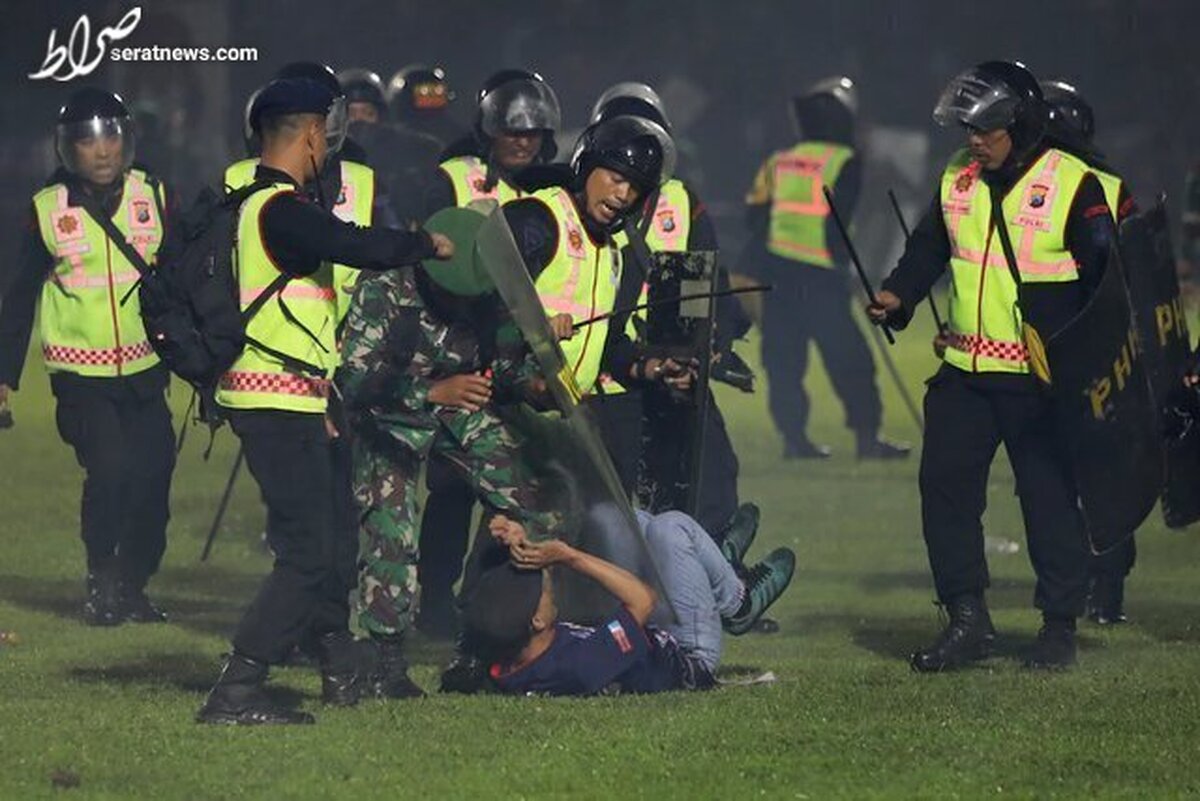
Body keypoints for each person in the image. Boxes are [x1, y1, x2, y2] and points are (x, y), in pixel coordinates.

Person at [194, 77, 453, 725]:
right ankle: (238, 687)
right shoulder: (279, 208)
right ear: (312, 135)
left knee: (328, 539)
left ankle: (336, 663)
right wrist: (423, 243)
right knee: (309, 553)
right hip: (273, 399)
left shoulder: (257, 203)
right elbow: (352, 244)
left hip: (299, 397)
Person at [868, 61, 1115, 671]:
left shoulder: (1073, 183)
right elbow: (930, 244)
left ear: (1022, 125)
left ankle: (1058, 627)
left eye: (986, 129)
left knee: (1049, 501)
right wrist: (899, 295)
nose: (973, 141)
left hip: (1041, 381)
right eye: (968, 129)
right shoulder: (959, 175)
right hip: (964, 373)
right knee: (944, 492)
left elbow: (1108, 284)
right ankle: (967, 620)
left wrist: (1092, 366)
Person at [338, 212, 566, 699]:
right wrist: (430, 390)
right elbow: (355, 380)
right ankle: (384, 660)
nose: (464, 303)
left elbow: (503, 367)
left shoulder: (488, 288)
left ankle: (485, 638)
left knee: (533, 492)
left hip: (459, 409)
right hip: (390, 413)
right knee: (390, 526)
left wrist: (533, 382)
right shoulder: (384, 287)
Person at [0, 87, 176, 626]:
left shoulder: (156, 194)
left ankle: (134, 583)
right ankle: (103, 579)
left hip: (146, 371)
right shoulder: (47, 211)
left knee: (155, 476)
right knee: (112, 470)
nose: (101, 151)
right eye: (87, 141)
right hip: (81, 375)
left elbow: (178, 277)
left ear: (126, 140)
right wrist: (4, 376)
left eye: (110, 138)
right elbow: (19, 293)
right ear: (67, 150)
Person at [415, 68, 564, 637]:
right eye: (511, 132)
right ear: (489, 131)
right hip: (459, 355)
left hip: (525, 358)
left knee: (519, 489)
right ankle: (433, 597)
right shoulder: (453, 180)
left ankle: (486, 596)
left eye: (532, 133)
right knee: (453, 486)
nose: (522, 142)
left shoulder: (552, 190)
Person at [590, 81, 750, 538]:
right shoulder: (574, 203)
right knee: (610, 509)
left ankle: (711, 589)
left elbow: (704, 291)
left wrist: (699, 354)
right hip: (600, 384)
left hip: (671, 373)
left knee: (711, 484)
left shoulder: (681, 203)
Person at [745, 77, 909, 460]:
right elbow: (840, 222)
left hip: (778, 277)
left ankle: (794, 441)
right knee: (851, 360)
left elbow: (755, 216)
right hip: (821, 277)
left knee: (783, 363)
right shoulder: (843, 161)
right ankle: (868, 440)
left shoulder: (778, 160)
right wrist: (845, 268)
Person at [461, 509, 795, 696]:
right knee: (671, 528)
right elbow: (642, 599)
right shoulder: (580, 666)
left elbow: (499, 600)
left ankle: (713, 565)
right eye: (543, 588)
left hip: (645, 628)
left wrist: (520, 541)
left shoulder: (510, 649)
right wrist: (569, 556)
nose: (549, 582)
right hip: (687, 653)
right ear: (536, 621)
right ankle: (737, 601)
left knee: (613, 518)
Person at [387, 63, 467, 149]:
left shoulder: (459, 136)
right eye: (425, 96)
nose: (432, 105)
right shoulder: (391, 145)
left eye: (438, 94)